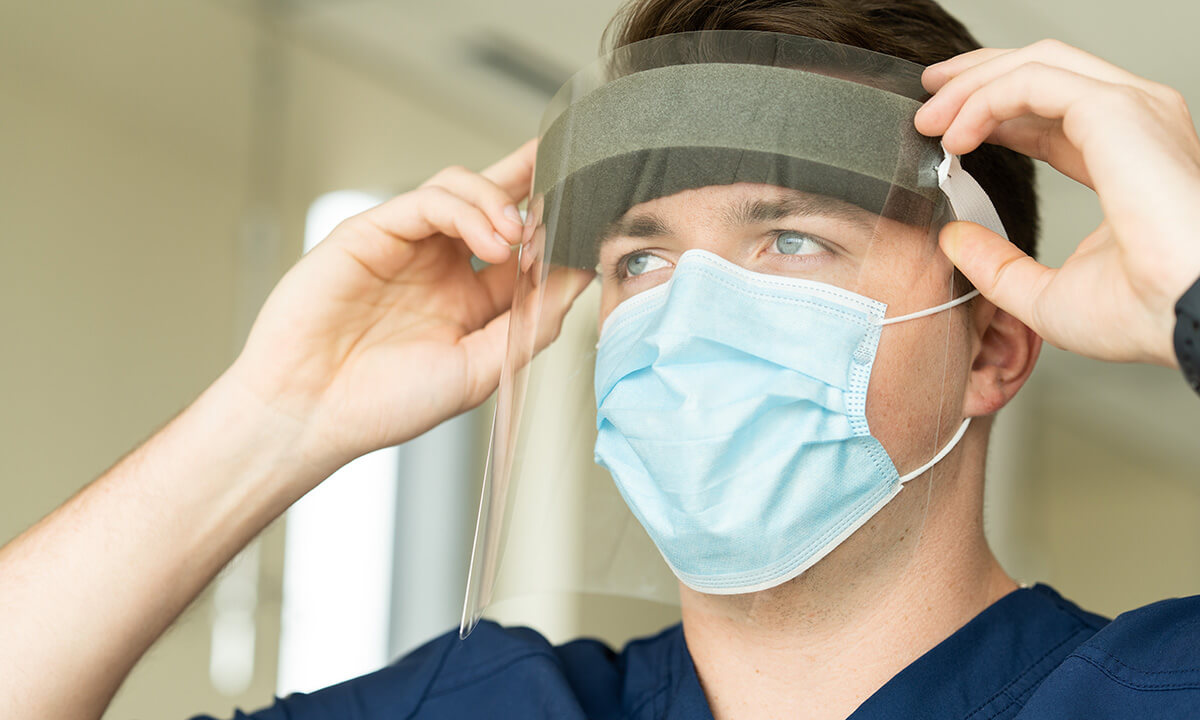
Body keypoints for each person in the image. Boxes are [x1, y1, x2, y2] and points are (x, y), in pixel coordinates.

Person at [3, 1, 1200, 719]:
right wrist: (277, 416)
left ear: (993, 346)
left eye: (790, 239)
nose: (691, 314)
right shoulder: (495, 706)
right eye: (643, 260)